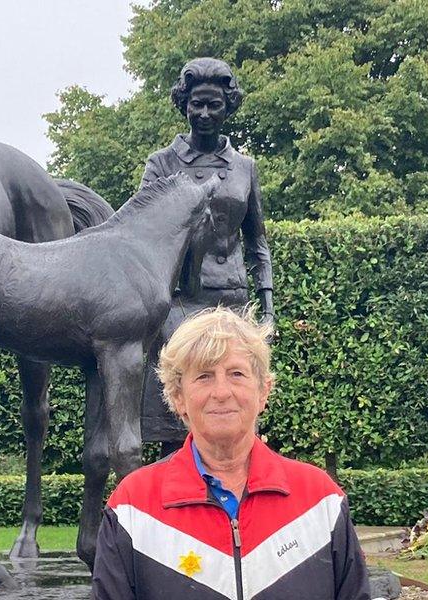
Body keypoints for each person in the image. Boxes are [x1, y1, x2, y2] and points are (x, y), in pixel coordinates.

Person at [93, 307, 370, 600]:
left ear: (264, 391)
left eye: (236, 374)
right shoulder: (133, 507)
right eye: (204, 376)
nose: (222, 392)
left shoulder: (319, 500)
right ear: (178, 397)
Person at [140, 57, 275, 449]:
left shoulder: (244, 168)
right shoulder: (162, 163)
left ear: (227, 106)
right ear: (183, 104)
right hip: (179, 302)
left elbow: (257, 243)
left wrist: (267, 306)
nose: (203, 113)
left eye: (213, 104)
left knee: (231, 403)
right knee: (179, 409)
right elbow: (143, 236)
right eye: (195, 103)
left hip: (232, 297)